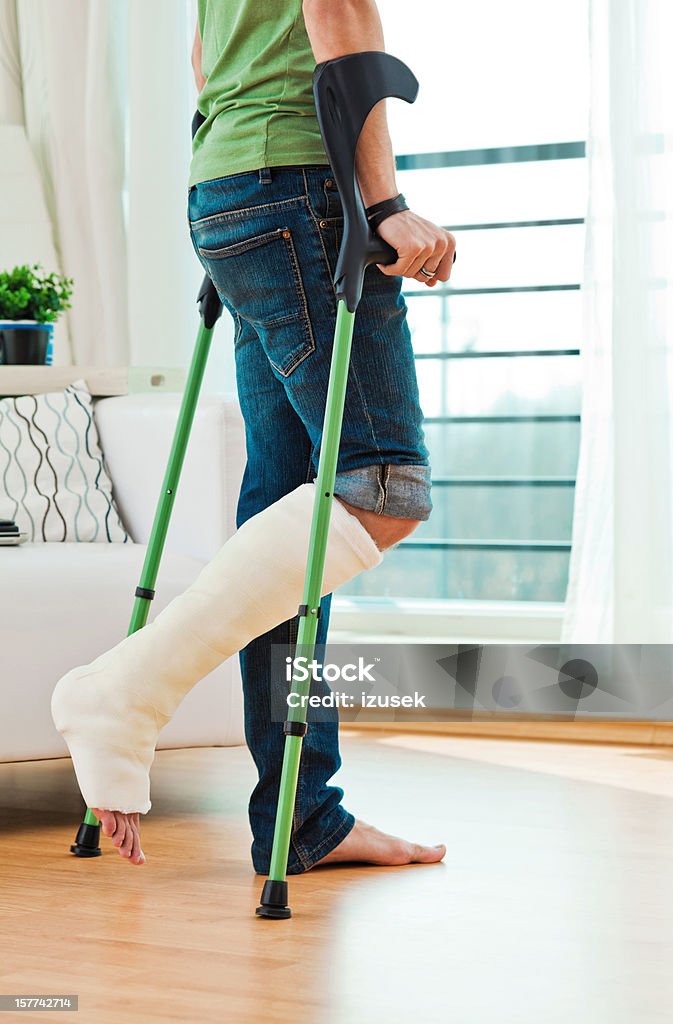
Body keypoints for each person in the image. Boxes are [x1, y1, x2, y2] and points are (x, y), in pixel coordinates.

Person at [51, 0, 455, 871]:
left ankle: (303, 816)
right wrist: (381, 200)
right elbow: (336, 13)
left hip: (229, 190)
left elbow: (207, 56)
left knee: (291, 520)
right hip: (301, 188)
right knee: (382, 484)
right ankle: (123, 691)